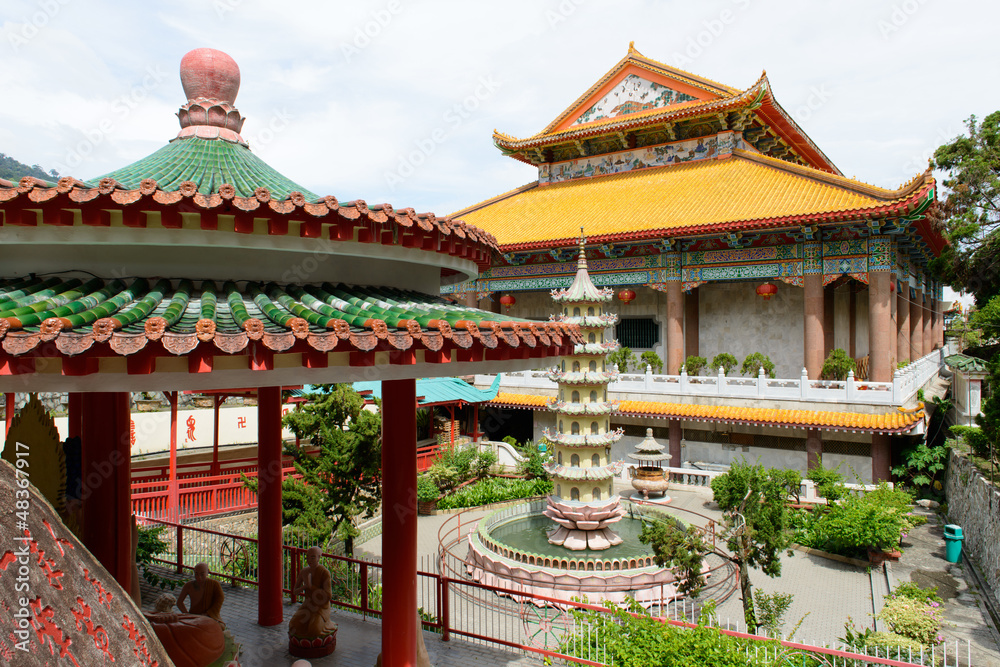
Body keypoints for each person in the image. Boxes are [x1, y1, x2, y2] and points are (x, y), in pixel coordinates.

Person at [288, 546, 337, 639]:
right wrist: (305, 586)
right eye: (307, 557)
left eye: (313, 557)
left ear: (319, 557)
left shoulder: (324, 572)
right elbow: (295, 592)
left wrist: (312, 587)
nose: (309, 560)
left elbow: (328, 596)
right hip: (307, 605)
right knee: (293, 626)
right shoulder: (304, 571)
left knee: (314, 630)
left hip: (321, 607)